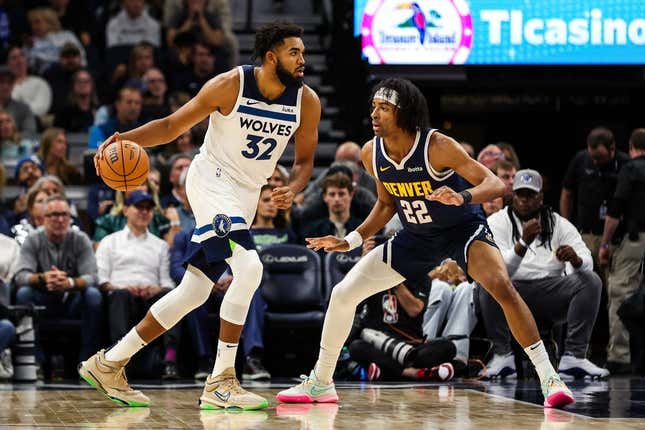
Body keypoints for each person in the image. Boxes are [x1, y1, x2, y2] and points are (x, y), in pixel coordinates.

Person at [277, 78, 573, 408]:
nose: (374, 113)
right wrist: (350, 240)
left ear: (404, 113)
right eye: (374, 106)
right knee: (343, 293)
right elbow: (386, 205)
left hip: (461, 230)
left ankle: (550, 378)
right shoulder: (371, 153)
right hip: (416, 238)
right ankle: (321, 381)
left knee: (502, 287)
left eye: (384, 108)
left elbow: (493, 184)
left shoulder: (437, 146)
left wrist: (462, 196)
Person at [79, 21, 320, 410]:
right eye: (295, 52)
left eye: (304, 53)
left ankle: (109, 363)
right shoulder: (230, 85)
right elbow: (173, 126)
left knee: (193, 291)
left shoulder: (306, 101)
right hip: (211, 181)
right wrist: (125, 139)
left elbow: (305, 160)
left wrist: (293, 187)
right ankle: (221, 380)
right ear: (272, 56)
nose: (302, 60)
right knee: (250, 268)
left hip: (245, 194)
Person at [481, 169, 608, 379]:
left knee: (591, 280)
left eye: (530, 195)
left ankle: (574, 357)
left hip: (551, 292)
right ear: (513, 195)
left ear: (540, 197)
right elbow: (498, 269)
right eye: (520, 194)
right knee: (486, 279)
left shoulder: (558, 223)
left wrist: (575, 260)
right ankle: (503, 357)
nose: (524, 200)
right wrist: (523, 243)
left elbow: (587, 260)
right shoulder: (497, 222)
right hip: (513, 294)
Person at [599, 128, 645, 374]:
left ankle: (619, 357)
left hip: (636, 239)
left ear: (631, 145)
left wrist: (605, 244)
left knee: (620, 292)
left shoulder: (630, 169)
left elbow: (615, 211)